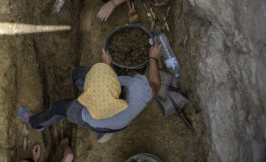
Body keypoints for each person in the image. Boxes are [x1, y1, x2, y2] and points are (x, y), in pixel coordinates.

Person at [18, 43, 162, 139]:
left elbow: (88, 108)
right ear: (115, 82)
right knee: (78, 74)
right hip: (114, 116)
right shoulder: (139, 90)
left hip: (101, 121)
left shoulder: (91, 116)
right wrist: (153, 58)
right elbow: (155, 84)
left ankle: (35, 123)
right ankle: (106, 128)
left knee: (58, 108)